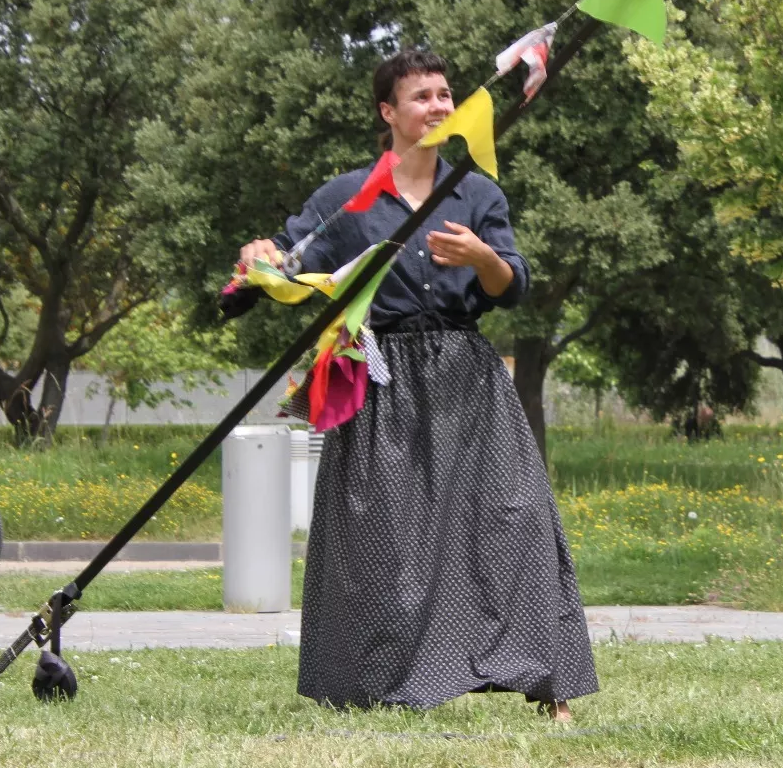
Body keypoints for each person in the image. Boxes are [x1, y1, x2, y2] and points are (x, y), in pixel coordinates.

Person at [239, 48, 597, 720]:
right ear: (389, 111)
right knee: (384, 538)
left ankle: (547, 683)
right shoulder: (345, 197)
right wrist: (261, 255)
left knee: (513, 520)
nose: (438, 106)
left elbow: (512, 285)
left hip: (468, 379)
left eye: (444, 94)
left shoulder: (478, 192)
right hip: (383, 379)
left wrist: (483, 257)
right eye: (422, 96)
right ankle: (379, 686)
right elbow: (290, 260)